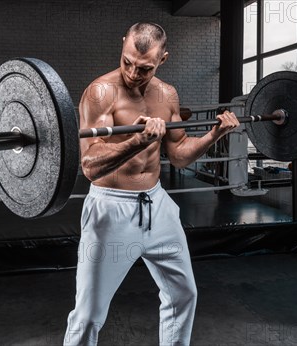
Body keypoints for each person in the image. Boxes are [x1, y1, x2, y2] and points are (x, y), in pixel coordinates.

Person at [63, 22, 239, 346]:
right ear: (123, 45)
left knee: (183, 295)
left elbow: (181, 155)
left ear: (162, 59)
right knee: (88, 315)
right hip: (110, 208)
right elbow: (89, 166)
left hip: (156, 206)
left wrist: (215, 134)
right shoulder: (100, 92)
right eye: (127, 61)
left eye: (144, 68)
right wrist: (138, 140)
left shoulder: (167, 94)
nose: (132, 72)